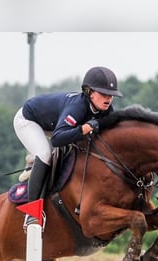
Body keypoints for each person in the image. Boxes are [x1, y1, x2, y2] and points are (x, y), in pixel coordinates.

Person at [13, 66, 123, 228]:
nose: (108, 98)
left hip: (55, 123)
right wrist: (83, 129)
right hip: (29, 120)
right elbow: (57, 139)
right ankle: (32, 212)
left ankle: (34, 165)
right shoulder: (77, 107)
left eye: (111, 95)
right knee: (45, 154)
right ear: (89, 92)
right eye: (103, 94)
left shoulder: (106, 110)